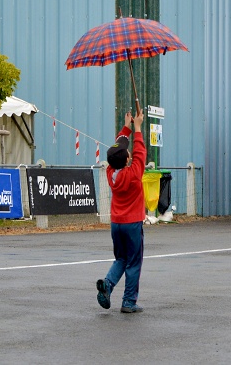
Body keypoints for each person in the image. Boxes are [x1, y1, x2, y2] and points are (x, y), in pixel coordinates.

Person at [96, 111, 147, 314]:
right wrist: (138, 127)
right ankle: (129, 301)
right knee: (133, 262)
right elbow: (140, 151)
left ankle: (108, 284)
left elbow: (119, 148)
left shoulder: (111, 173)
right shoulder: (134, 174)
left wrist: (127, 127)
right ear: (127, 160)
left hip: (116, 223)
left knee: (121, 259)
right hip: (132, 223)